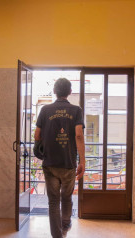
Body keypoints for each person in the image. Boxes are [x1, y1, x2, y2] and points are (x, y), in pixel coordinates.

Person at [34, 78, 85, 238]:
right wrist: (82, 161)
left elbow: (37, 134)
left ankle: (57, 235)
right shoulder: (76, 110)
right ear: (70, 92)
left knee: (53, 201)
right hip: (68, 163)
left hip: (49, 163)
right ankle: (65, 224)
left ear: (55, 91)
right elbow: (79, 135)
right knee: (66, 197)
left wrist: (40, 147)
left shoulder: (45, 110)